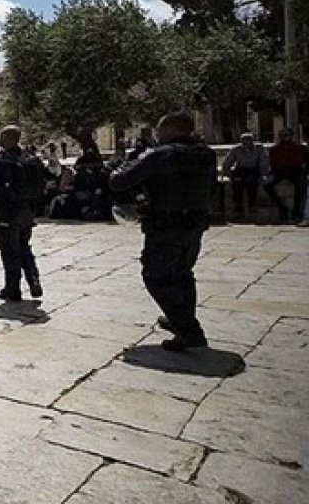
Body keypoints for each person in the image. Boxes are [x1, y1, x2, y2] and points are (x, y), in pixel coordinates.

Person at [110, 112, 216, 351]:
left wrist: (128, 161)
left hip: (165, 226)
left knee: (156, 277)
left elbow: (119, 181)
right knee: (182, 274)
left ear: (171, 129)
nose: (157, 134)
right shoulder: (205, 155)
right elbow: (213, 189)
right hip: (194, 223)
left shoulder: (161, 155)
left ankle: (189, 331)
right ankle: (179, 319)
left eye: (160, 128)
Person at [0, 126, 46, 301]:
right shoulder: (32, 159)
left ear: (6, 138)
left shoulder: (1, 160)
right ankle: (33, 279)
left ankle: (13, 288)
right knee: (24, 245)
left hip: (8, 210)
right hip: (28, 210)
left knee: (9, 250)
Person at [263, 128, 308, 223]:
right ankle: (282, 207)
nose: (284, 137)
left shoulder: (299, 148)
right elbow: (272, 163)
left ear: (291, 136)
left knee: (301, 185)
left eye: (286, 135)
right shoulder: (274, 149)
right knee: (267, 185)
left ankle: (296, 212)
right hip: (279, 172)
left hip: (295, 171)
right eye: (282, 135)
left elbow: (305, 161)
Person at [222, 133, 269, 220]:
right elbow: (227, 163)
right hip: (240, 170)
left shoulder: (259, 148)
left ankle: (252, 206)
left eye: (248, 141)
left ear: (252, 141)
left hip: (254, 170)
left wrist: (263, 174)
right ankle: (238, 209)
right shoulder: (236, 149)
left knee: (251, 183)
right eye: (244, 141)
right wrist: (230, 175)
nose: (246, 143)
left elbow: (264, 162)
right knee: (237, 183)